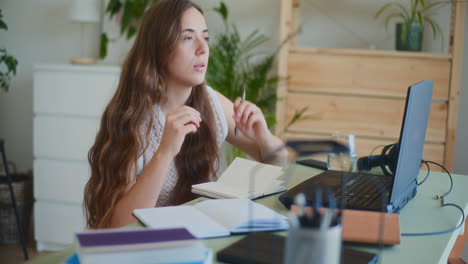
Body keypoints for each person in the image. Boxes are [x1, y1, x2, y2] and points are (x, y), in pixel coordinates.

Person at [84, 0, 287, 229]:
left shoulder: (211, 102)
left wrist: (264, 138)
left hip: (197, 237)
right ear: (159, 49)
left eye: (205, 37)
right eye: (188, 38)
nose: (203, 48)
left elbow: (276, 160)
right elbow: (120, 225)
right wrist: (165, 152)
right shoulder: (132, 119)